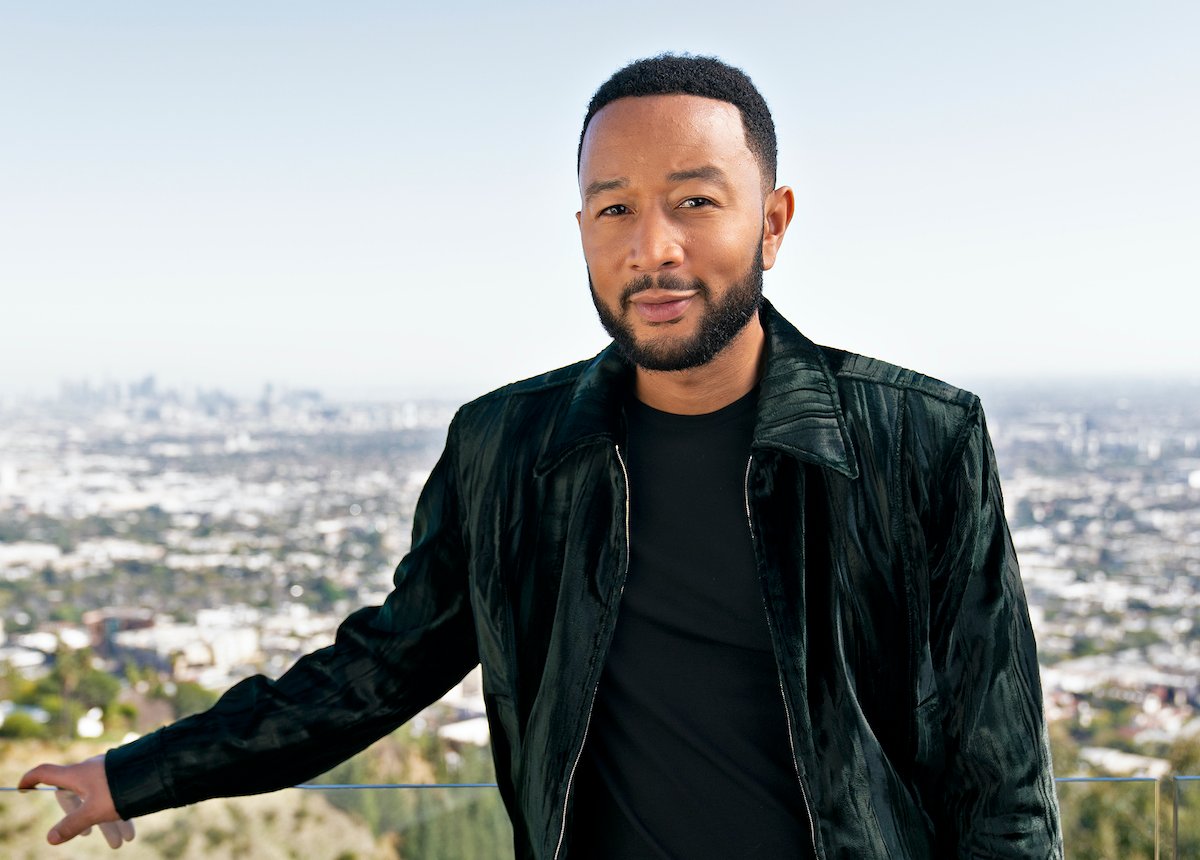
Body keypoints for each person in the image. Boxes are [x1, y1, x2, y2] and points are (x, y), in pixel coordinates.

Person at [20, 54, 1062, 858]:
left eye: (696, 201)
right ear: (581, 230)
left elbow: (1000, 776)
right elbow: (373, 671)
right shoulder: (509, 449)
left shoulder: (919, 440)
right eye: (615, 208)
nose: (652, 245)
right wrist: (140, 771)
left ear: (774, 223)